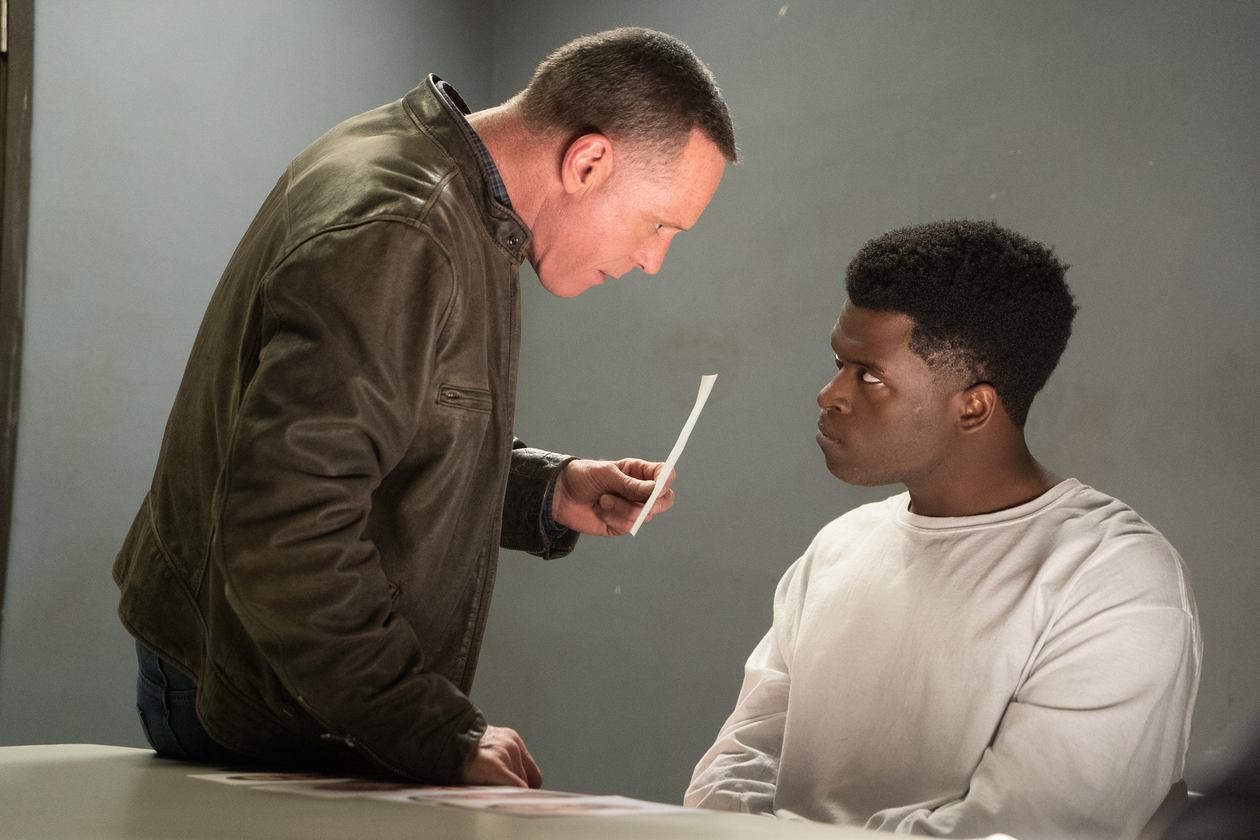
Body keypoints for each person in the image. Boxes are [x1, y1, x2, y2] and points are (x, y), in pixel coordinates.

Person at [113, 27, 736, 788]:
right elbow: (287, 526)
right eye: (659, 224)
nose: (653, 259)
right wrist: (432, 729)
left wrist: (547, 491)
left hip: (275, 676)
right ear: (588, 162)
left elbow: (378, 439)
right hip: (256, 695)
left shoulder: (439, 189)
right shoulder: (405, 228)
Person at [685, 221, 1201, 840]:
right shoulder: (840, 547)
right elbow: (735, 768)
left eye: (869, 376)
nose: (828, 395)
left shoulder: (1111, 578)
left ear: (973, 406)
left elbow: (1027, 827)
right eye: (838, 364)